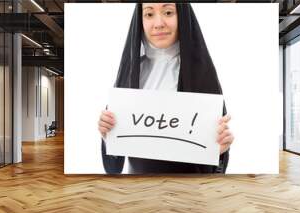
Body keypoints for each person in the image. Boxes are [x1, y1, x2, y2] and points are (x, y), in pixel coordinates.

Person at [98, 3, 234, 174]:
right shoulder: (131, 74)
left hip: (190, 192)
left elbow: (215, 160)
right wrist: (107, 134)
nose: (158, 23)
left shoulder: (202, 74)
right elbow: (114, 163)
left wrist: (220, 149)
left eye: (168, 12)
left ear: (183, 17)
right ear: (140, 20)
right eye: (149, 14)